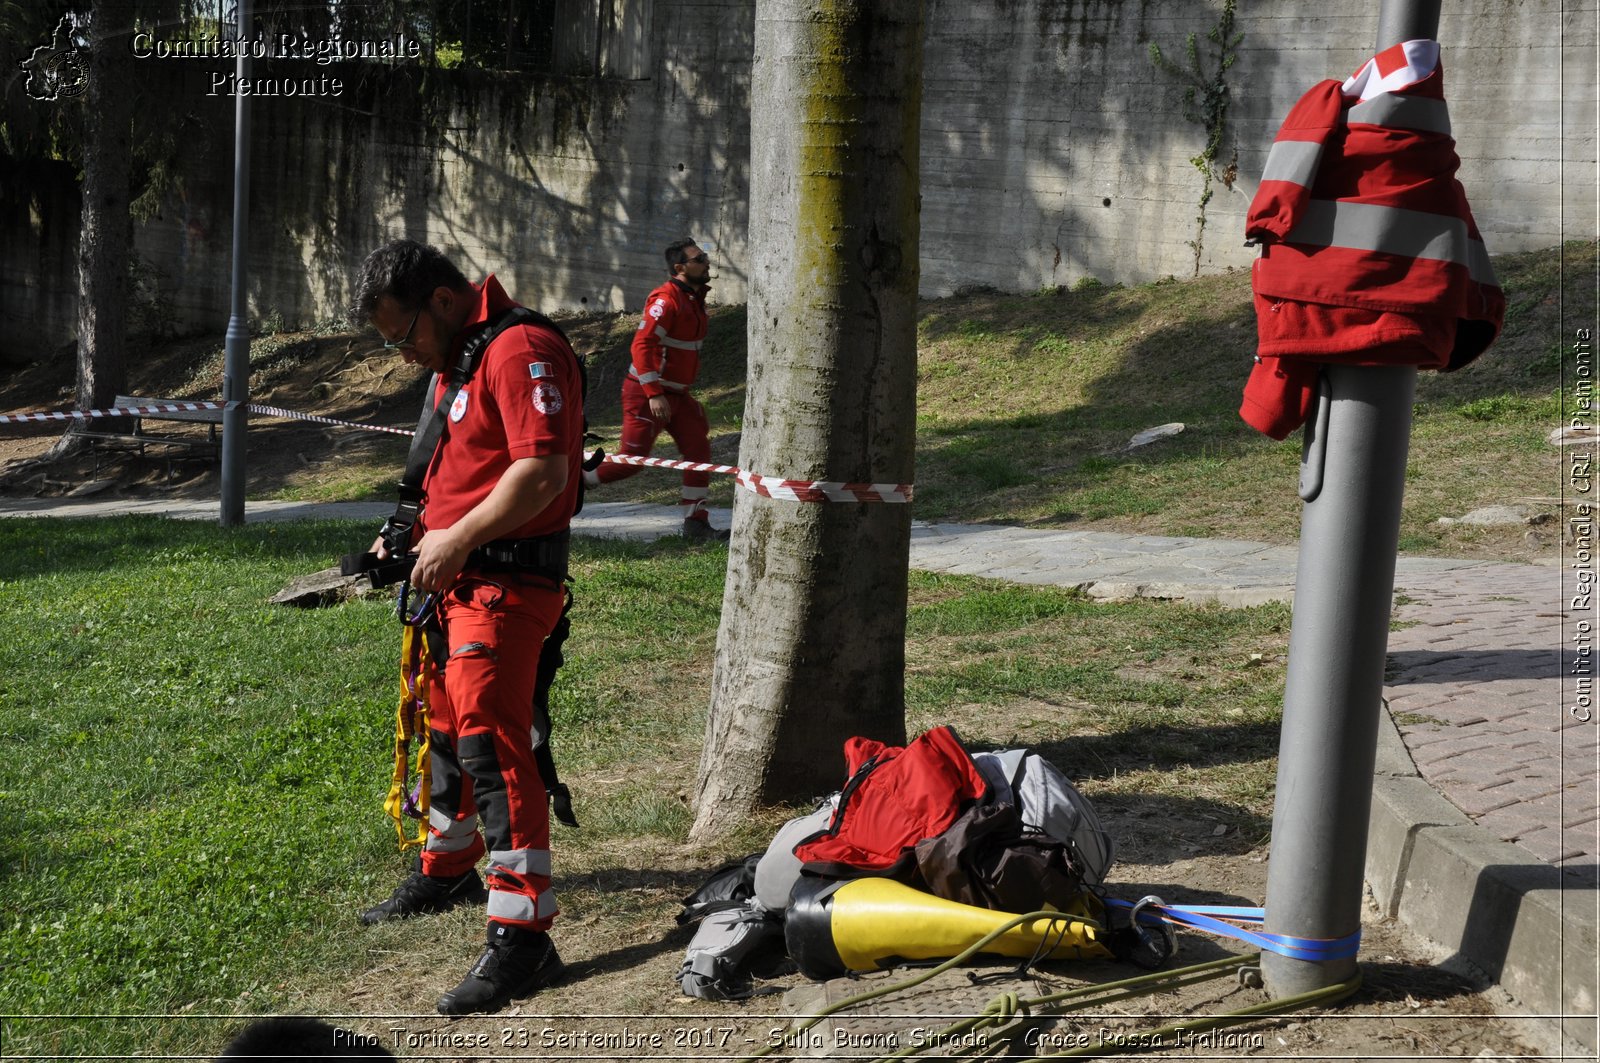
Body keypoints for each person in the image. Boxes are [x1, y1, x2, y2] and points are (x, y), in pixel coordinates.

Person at [349, 239, 583, 1016]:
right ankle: (449, 866)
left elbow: (542, 471)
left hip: (507, 584)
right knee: (446, 732)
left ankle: (524, 937)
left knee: (489, 743)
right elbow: (454, 467)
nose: (403, 353)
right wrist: (409, 531)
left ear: (444, 302)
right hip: (460, 583)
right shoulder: (464, 358)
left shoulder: (521, 349)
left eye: (402, 334)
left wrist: (455, 540)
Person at [585, 238, 728, 540]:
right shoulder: (666, 299)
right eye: (699, 258)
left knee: (698, 453)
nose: (706, 262)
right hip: (646, 394)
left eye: (704, 256)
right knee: (631, 462)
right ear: (680, 268)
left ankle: (696, 523)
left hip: (677, 396)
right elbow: (642, 344)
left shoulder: (693, 299)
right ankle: (576, 481)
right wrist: (653, 392)